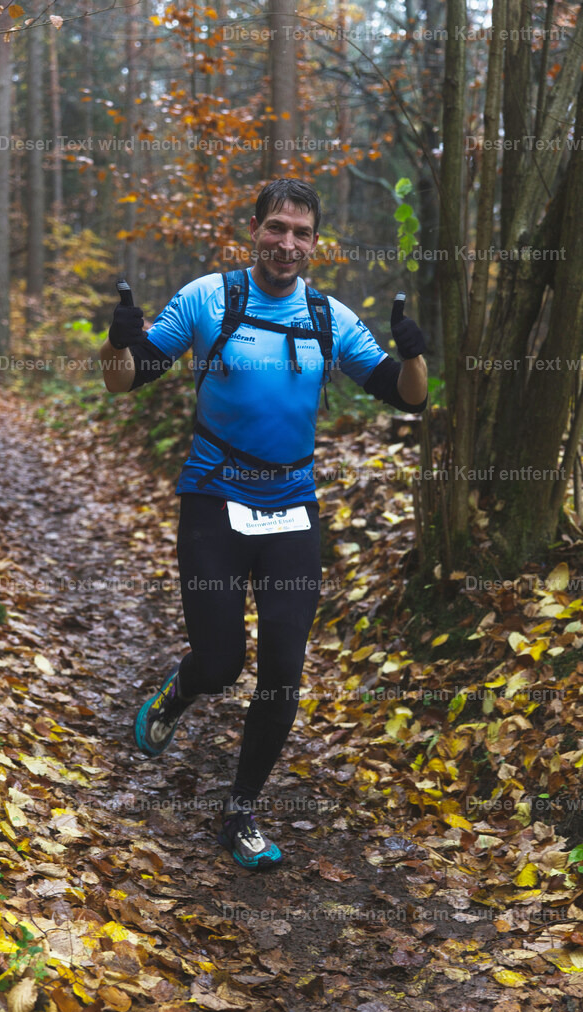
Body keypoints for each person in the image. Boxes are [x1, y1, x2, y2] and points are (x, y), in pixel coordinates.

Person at [99, 179, 428, 871]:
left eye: (301, 233)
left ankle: (240, 810)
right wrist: (118, 343)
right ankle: (180, 689)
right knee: (222, 664)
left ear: (315, 243)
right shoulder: (206, 299)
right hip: (214, 499)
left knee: (283, 670)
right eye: (276, 228)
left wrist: (415, 354)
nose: (287, 243)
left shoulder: (329, 316)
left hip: (292, 508)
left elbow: (405, 399)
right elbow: (125, 380)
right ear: (254, 230)